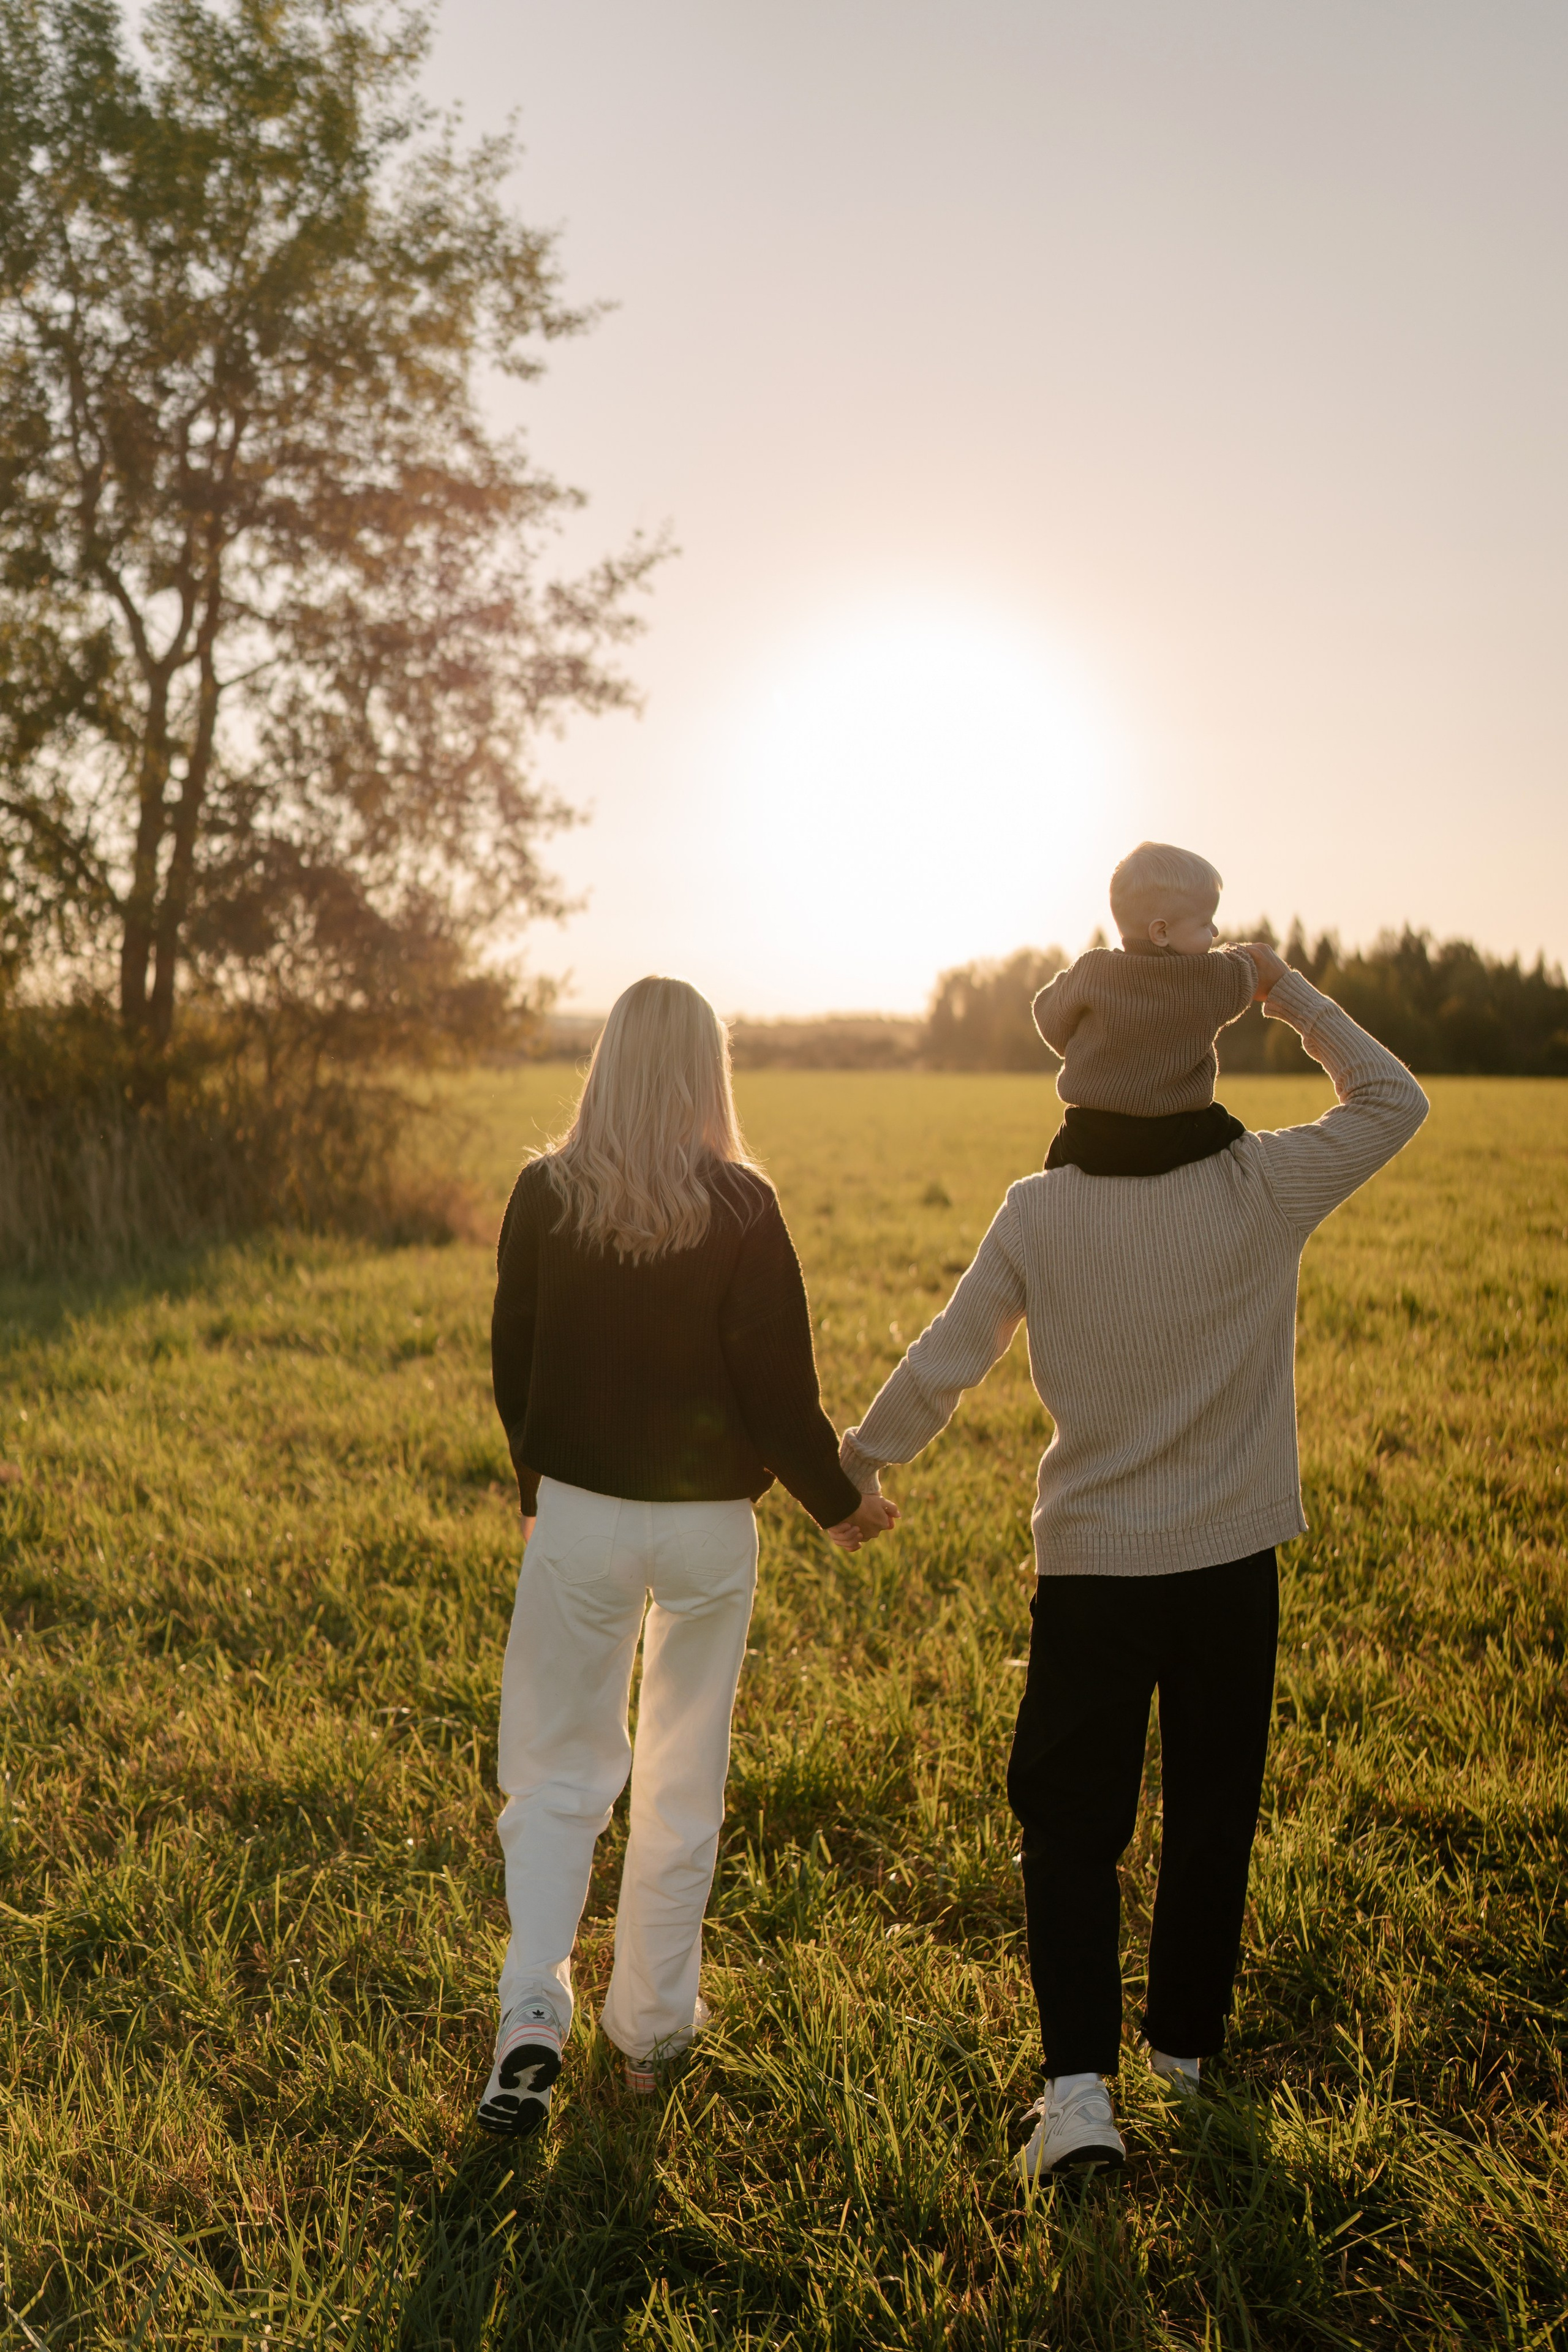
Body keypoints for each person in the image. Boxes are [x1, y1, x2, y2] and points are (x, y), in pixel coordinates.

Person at [839, 936, 1427, 2180]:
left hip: (1091, 1577)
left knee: (1069, 1830)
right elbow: (1392, 1100)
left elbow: (949, 1353)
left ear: (1081, 1064)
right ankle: (1181, 2058)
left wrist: (861, 1463)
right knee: (1212, 1812)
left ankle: (1077, 2101)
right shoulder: (1262, 1184)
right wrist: (1282, 990)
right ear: (1200, 1053)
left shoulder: (1038, 1209)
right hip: (1230, 1569)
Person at [478, 974, 895, 2139]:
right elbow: (780, 1393)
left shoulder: (545, 1192)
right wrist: (838, 1502)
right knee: (681, 1777)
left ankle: (532, 2008)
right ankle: (652, 2033)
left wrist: (536, 1490)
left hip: (580, 1516)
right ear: (710, 1071)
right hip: (709, 1530)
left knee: (555, 1772)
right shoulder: (746, 1205)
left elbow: (514, 1360)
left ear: (606, 1062)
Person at [1031, 840, 1257, 1177]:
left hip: (1091, 1134)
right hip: (1179, 1134)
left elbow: (1047, 1014)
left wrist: (1078, 1045)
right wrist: (1240, 953)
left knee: (1052, 1170)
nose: (1215, 931)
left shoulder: (1093, 970)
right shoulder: (1208, 976)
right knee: (1238, 1142)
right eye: (1205, 923)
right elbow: (1246, 971)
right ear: (1161, 931)